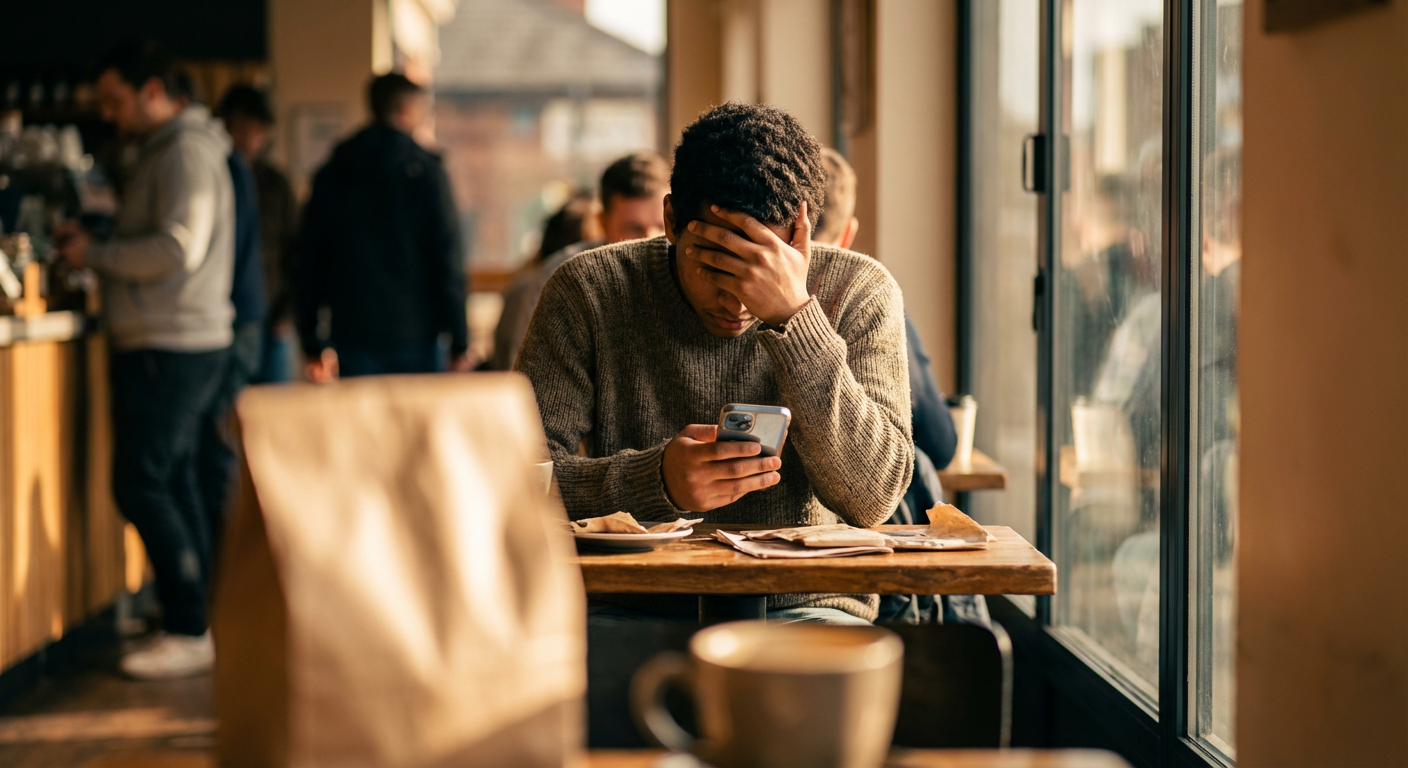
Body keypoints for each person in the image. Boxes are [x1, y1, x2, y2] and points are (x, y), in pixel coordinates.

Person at [516, 103, 913, 625]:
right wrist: (654, 481)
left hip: (806, 606)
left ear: (802, 235)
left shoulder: (860, 292)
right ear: (673, 222)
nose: (736, 301)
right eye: (715, 267)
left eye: (759, 270)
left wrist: (794, 316)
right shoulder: (590, 290)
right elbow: (513, 480)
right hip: (630, 603)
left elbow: (874, 496)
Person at [54, 41, 233, 679]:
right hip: (172, 337)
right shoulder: (171, 149)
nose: (109, 113)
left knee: (142, 481)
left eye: (115, 98)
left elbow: (177, 247)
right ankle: (200, 621)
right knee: (173, 481)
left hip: (172, 339)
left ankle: (191, 626)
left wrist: (97, 256)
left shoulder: (184, 150)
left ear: (153, 89)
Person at [294, 72, 469, 380]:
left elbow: (310, 258)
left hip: (352, 329)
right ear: (406, 110)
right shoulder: (425, 174)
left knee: (363, 427)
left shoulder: (335, 172)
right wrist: (459, 340)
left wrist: (310, 338)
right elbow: (446, 257)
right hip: (417, 330)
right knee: (418, 426)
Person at [492, 151, 669, 370]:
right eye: (633, 229)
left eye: (662, 226)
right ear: (601, 222)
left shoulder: (693, 280)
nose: (651, 240)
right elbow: (528, 377)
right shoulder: (561, 279)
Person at [219, 85, 299, 384]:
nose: (249, 138)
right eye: (241, 128)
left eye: (257, 130)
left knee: (275, 410)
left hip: (273, 311)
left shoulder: (276, 184)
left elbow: (296, 250)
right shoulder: (218, 176)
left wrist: (288, 312)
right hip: (227, 313)